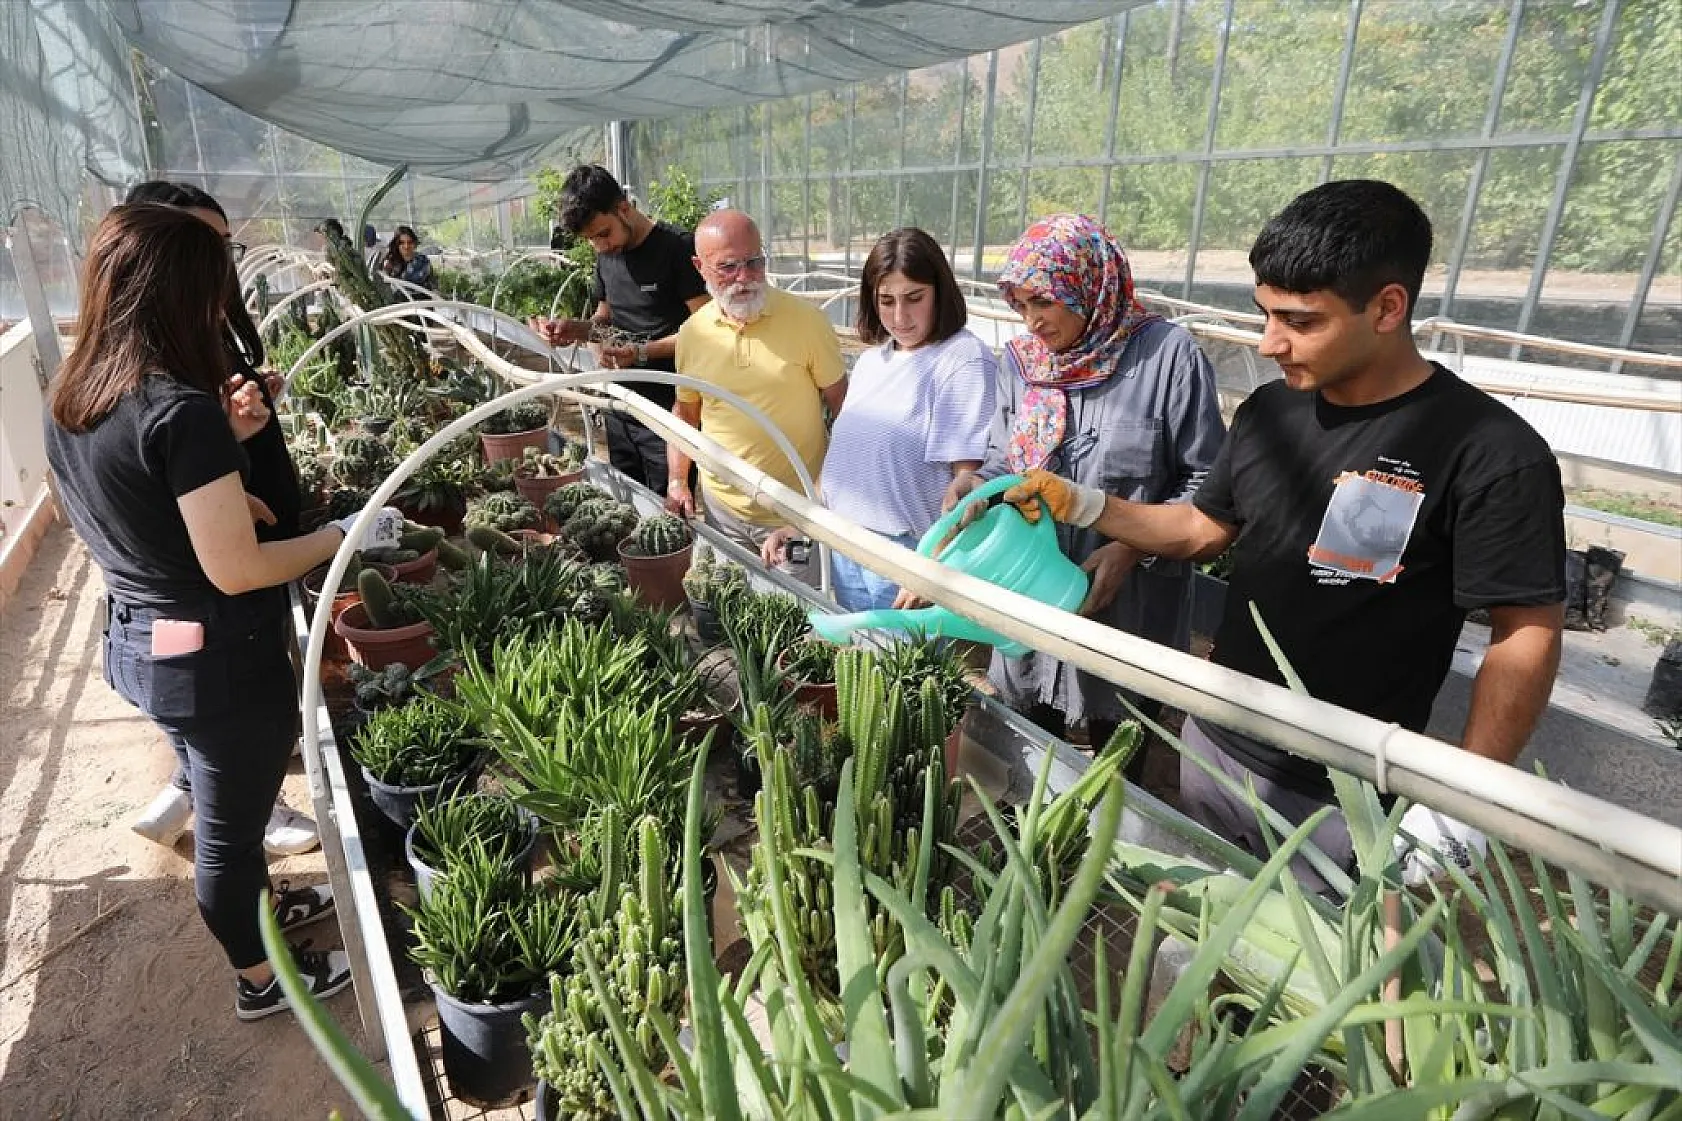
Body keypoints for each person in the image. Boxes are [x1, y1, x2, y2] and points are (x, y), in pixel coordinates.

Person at [979, 181, 1566, 892]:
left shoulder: (1489, 451)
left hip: (1344, 782)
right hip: (1216, 738)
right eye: (1264, 314)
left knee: (1310, 970)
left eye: (1300, 320)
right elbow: (1199, 527)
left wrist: (1469, 794)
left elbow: (1525, 629)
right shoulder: (1268, 416)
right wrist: (1087, 504)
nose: (1268, 342)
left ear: (1387, 307)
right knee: (1202, 933)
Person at [45, 203, 407, 1019]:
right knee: (228, 835)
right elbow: (240, 569)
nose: (220, 310)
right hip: (217, 664)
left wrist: (222, 469)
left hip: (141, 644)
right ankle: (260, 977)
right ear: (178, 297)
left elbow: (99, 510)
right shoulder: (179, 410)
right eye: (211, 293)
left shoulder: (73, 395)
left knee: (224, 807)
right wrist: (345, 535)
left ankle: (265, 918)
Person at [944, 214, 1225, 761]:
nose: (1031, 323)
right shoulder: (1022, 364)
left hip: (1128, 602)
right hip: (1031, 584)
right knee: (1027, 750)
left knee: (1119, 758)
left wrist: (1133, 547)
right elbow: (1006, 460)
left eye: (1043, 302)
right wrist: (973, 485)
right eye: (1020, 306)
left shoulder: (1167, 357)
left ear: (1088, 284)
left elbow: (1208, 485)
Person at [120, 180, 318, 858]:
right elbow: (180, 477)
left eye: (223, 245)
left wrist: (237, 431)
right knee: (219, 712)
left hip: (209, 562)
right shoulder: (162, 377)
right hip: (211, 583)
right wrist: (331, 540)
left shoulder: (191, 334)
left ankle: (189, 785)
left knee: (195, 702)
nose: (219, 261)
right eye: (204, 245)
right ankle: (242, 809)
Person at [760, 227, 996, 610]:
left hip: (908, 556)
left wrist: (932, 567)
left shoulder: (961, 359)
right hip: (845, 544)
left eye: (914, 298)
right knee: (861, 661)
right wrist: (799, 524)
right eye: (886, 300)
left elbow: (968, 487)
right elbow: (842, 465)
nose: (899, 316)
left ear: (940, 291)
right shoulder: (873, 361)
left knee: (905, 666)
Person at [665, 209, 848, 586]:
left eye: (754, 262)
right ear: (699, 267)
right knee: (733, 610)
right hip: (722, 510)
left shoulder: (806, 322)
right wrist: (677, 481)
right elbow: (686, 416)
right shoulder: (692, 335)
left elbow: (845, 413)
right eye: (727, 267)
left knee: (798, 617)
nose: (744, 278)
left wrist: (817, 503)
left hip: (793, 515)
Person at [530, 165, 710, 495]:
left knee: (665, 515)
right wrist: (576, 329)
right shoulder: (607, 256)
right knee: (626, 501)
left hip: (670, 414)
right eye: (590, 240)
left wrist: (642, 352)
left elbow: (705, 330)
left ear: (623, 208)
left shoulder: (677, 248)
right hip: (621, 406)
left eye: (603, 233)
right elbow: (603, 319)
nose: (600, 245)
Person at [381, 225, 433, 289]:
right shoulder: (390, 262)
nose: (406, 246)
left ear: (414, 243)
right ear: (396, 244)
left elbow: (431, 283)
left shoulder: (423, 261)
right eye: (402, 243)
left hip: (422, 297)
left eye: (410, 242)